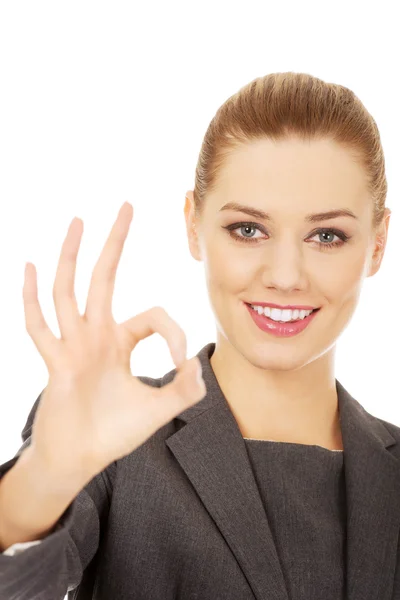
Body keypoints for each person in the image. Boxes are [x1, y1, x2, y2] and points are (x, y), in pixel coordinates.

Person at [0, 71, 396, 600]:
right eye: (248, 230)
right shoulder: (118, 437)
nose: (284, 275)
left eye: (327, 235)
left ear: (376, 244)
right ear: (194, 225)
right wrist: (43, 481)